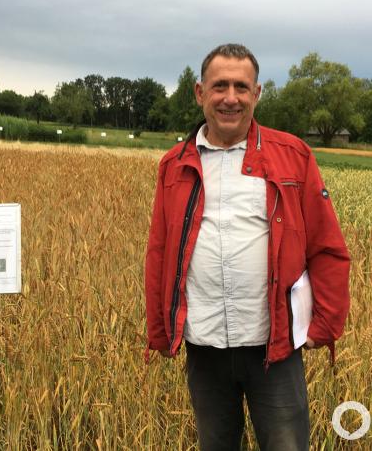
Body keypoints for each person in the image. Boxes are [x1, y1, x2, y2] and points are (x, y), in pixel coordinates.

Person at [143, 43, 350, 450]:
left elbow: (326, 246)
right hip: (205, 345)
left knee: (286, 445)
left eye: (242, 86)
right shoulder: (175, 164)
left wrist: (325, 323)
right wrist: (159, 329)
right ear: (200, 93)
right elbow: (160, 251)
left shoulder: (293, 156)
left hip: (273, 345)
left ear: (257, 94)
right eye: (220, 86)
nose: (231, 98)